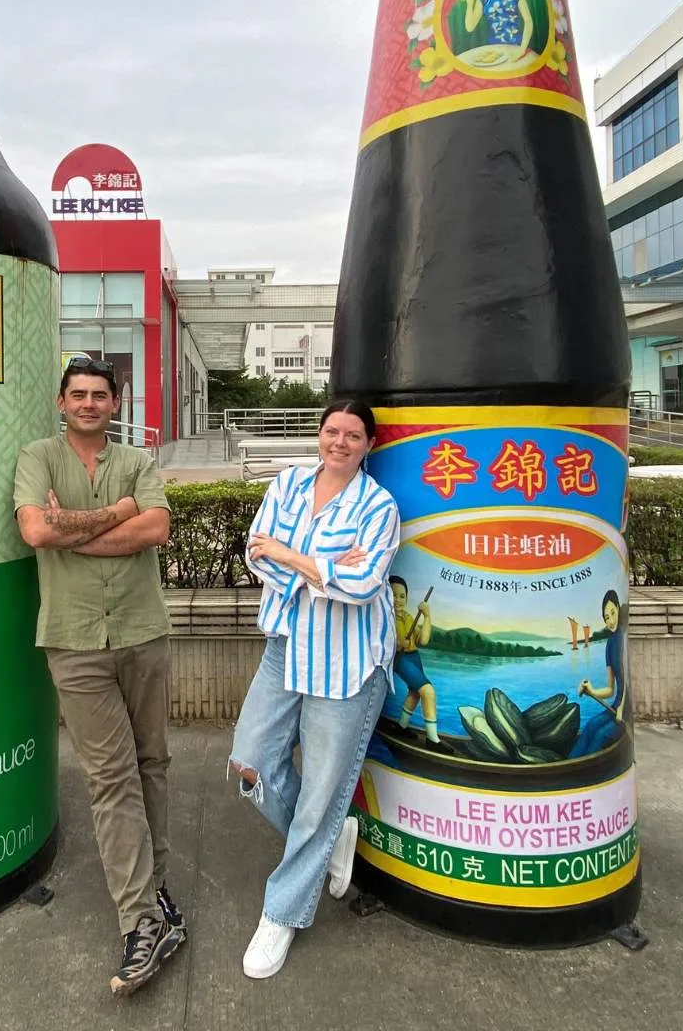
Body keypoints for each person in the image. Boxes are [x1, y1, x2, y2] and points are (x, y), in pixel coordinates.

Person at [13, 357, 182, 998]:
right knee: (110, 778)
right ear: (62, 401)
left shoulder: (137, 461)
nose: (88, 403)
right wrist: (115, 516)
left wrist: (72, 530)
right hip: (74, 639)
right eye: (78, 394)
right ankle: (140, 919)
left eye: (99, 395)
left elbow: (158, 526)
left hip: (142, 629)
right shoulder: (38, 456)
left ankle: (156, 888)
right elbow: (34, 528)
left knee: (153, 764)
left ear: (116, 403)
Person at [230, 398, 402, 979]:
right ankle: (333, 840)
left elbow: (361, 585)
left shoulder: (379, 506)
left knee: (320, 796)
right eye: (332, 431)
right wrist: (318, 564)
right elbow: (259, 552)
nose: (341, 442)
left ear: (368, 445)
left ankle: (281, 912)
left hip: (350, 663)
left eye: (354, 435)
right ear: (319, 434)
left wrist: (293, 555)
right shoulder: (288, 483)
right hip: (288, 645)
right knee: (250, 763)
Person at [391, 576, 438, 743]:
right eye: (393, 594)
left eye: (402, 596)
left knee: (415, 692)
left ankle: (401, 726)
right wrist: (396, 643)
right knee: (427, 691)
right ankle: (432, 740)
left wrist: (427, 616)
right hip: (401, 658)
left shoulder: (409, 617)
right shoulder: (385, 617)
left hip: (413, 656)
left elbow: (423, 640)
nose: (398, 600)